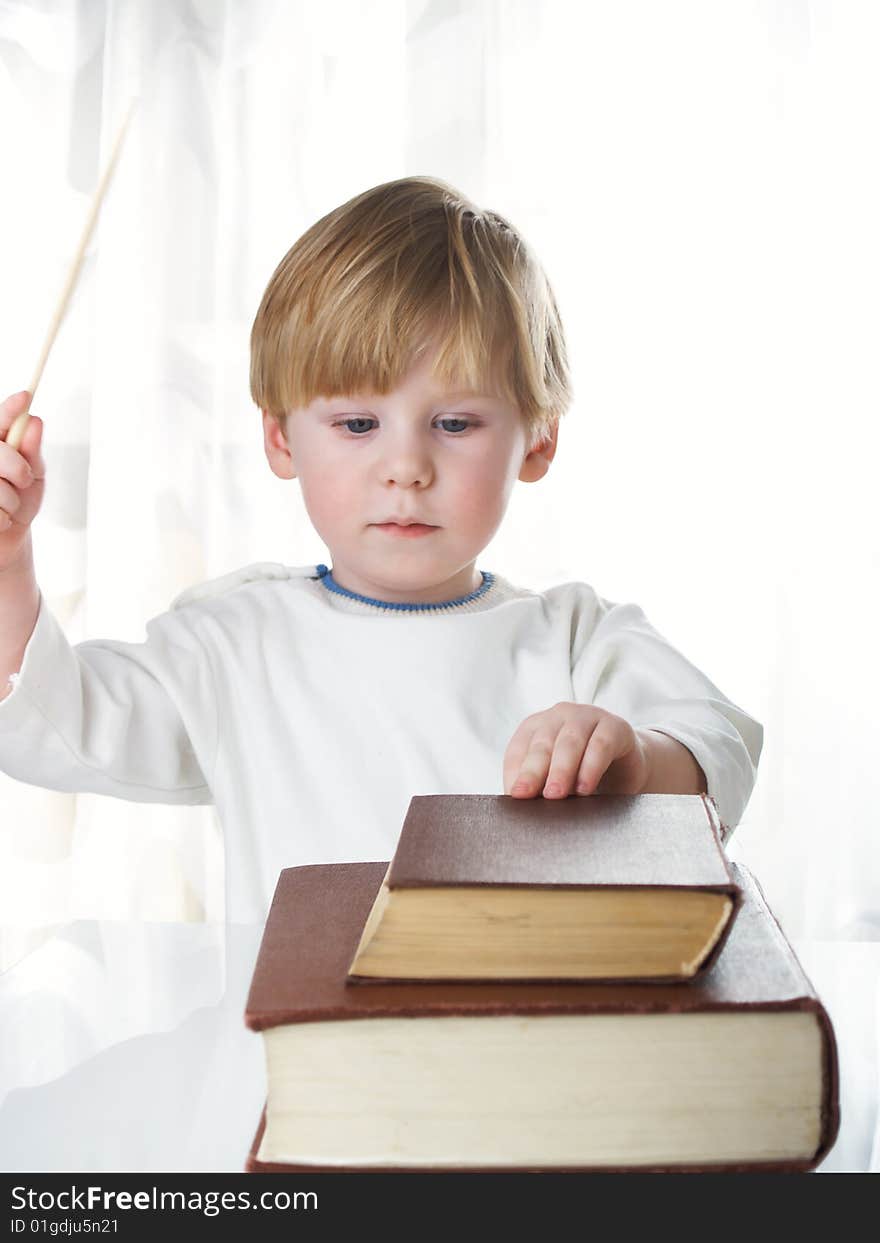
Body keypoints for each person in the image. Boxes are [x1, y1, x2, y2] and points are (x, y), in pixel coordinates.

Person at [0, 176, 762, 924]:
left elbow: (718, 744)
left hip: (520, 1038)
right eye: (358, 424)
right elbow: (58, 722)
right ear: (279, 436)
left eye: (456, 424)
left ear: (538, 437)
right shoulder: (235, 643)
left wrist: (630, 758)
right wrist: (7, 563)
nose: (406, 467)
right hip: (299, 1047)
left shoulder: (573, 638)